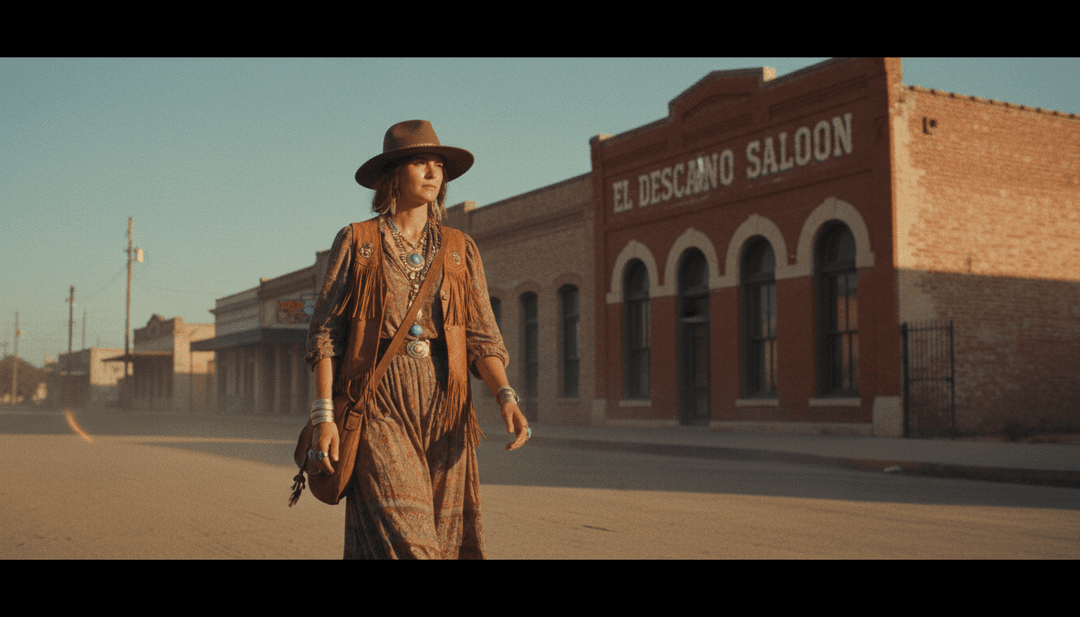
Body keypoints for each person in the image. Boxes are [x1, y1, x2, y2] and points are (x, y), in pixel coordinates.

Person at [303, 120, 529, 559]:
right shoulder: (358, 241)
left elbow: (483, 335)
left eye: (438, 165)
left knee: (443, 544)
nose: (432, 173)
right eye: (420, 163)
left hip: (446, 408)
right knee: (412, 545)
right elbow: (326, 333)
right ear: (393, 175)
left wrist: (505, 395)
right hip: (380, 403)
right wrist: (323, 416)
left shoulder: (460, 247)